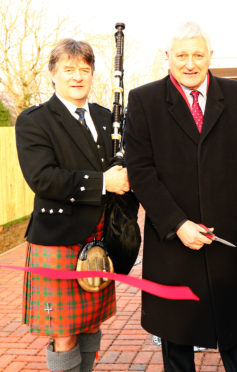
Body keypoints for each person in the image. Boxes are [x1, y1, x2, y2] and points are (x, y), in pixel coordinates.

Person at [124, 22, 237, 372]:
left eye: (197, 54)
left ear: (210, 55)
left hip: (228, 244)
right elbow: (142, 171)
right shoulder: (144, 100)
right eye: (181, 55)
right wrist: (177, 223)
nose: (189, 63)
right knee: (176, 345)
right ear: (168, 57)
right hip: (173, 245)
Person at [15, 39, 130, 372]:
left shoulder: (108, 117)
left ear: (93, 74)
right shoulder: (35, 121)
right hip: (58, 239)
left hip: (99, 235)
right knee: (63, 333)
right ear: (53, 74)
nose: (77, 76)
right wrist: (102, 182)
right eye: (68, 69)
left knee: (92, 322)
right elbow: (43, 179)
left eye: (84, 69)